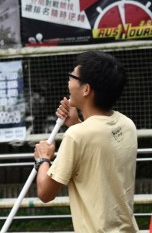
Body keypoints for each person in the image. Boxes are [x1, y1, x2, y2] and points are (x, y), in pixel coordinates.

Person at [34, 50, 138, 232]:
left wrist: (43, 159)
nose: (68, 81)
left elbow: (45, 192)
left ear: (86, 89)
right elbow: (96, 141)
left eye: (72, 76)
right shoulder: (127, 124)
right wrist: (75, 123)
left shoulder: (77, 136)